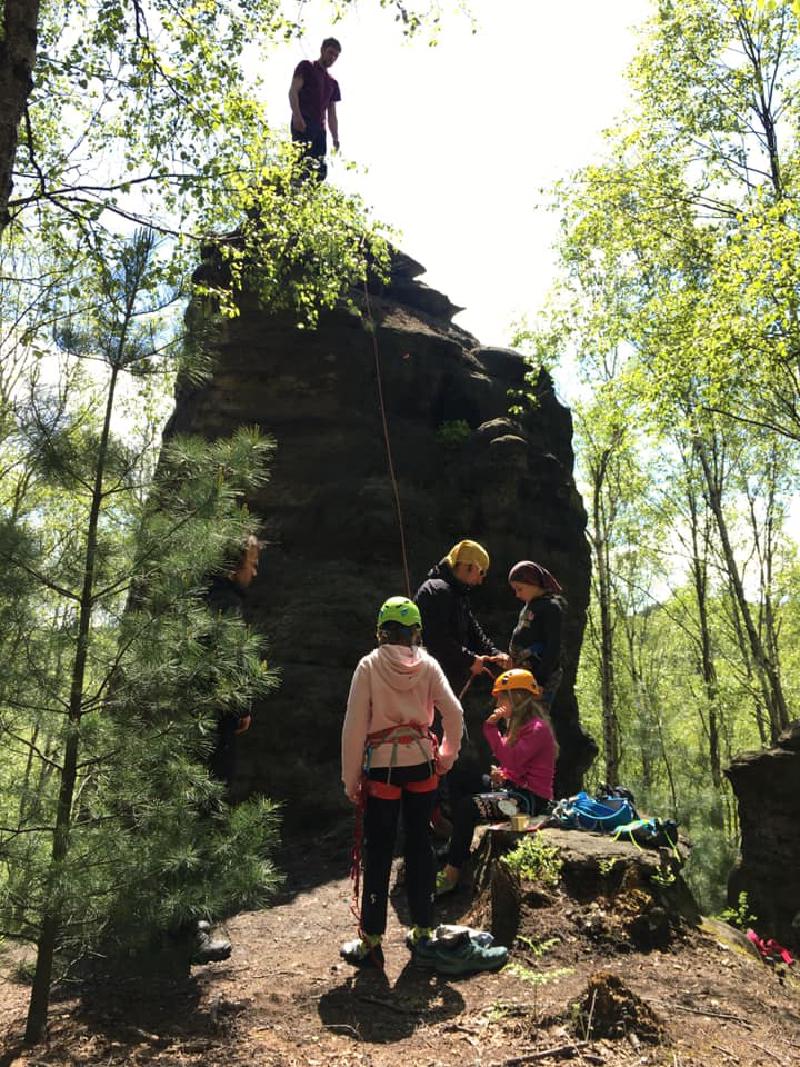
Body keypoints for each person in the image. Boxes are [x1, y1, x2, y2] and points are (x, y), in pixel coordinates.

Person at [194, 533, 263, 964]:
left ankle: (184, 919)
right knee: (204, 815)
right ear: (231, 565)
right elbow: (228, 662)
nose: (255, 571)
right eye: (251, 562)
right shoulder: (224, 604)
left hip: (187, 722)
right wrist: (240, 708)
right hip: (210, 725)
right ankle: (191, 926)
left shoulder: (193, 598)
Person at [436, 669, 557, 895]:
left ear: (517, 698)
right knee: (459, 775)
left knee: (468, 807)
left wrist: (491, 729)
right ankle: (457, 841)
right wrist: (503, 774)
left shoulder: (537, 729)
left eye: (502, 698)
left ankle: (452, 872)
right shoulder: (520, 726)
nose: (498, 703)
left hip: (526, 805)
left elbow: (512, 759)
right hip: (514, 792)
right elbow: (516, 766)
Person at [414, 540, 509, 697]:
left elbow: (474, 633)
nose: (481, 580)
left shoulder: (457, 595)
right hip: (429, 686)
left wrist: (495, 654)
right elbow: (436, 640)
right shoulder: (437, 590)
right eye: (481, 572)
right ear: (467, 566)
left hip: (443, 686)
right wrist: (470, 660)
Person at [507, 560, 566, 708]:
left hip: (540, 676)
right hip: (525, 672)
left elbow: (553, 646)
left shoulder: (551, 608)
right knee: (520, 713)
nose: (517, 594)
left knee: (536, 713)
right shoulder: (529, 606)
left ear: (532, 583)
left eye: (520, 589)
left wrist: (540, 681)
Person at [288, 38, 341, 181]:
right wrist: (297, 116)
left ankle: (312, 193)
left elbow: (332, 114)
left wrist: (335, 137)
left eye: (336, 56)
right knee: (301, 164)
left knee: (320, 172)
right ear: (322, 50)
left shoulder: (333, 83)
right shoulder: (306, 66)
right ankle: (294, 189)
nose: (332, 58)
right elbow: (293, 91)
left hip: (320, 130)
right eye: (330, 53)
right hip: (304, 122)